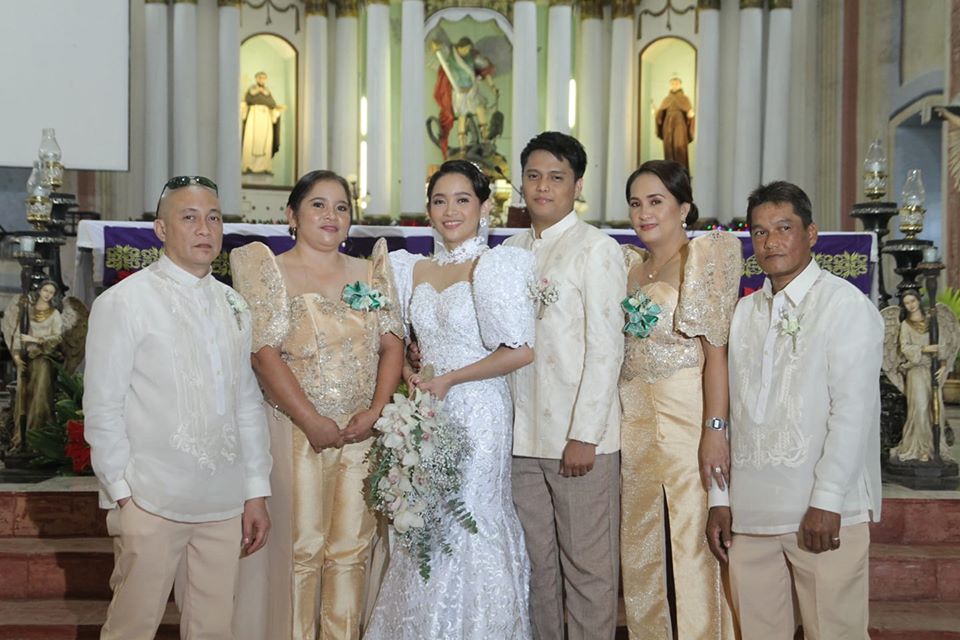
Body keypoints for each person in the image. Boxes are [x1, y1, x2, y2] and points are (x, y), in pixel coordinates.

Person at [83, 176, 272, 640]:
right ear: (161, 230)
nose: (204, 229)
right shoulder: (123, 303)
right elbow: (103, 405)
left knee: (213, 630)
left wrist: (255, 490)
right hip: (151, 497)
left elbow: (247, 403)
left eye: (213, 217)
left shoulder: (234, 305)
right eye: (189, 218)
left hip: (223, 501)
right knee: (131, 627)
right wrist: (122, 491)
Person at [229, 170, 404, 640]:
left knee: (351, 549)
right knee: (302, 550)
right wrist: (311, 420)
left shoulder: (369, 272)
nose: (332, 216)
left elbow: (392, 345)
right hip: (297, 432)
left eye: (342, 207)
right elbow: (264, 355)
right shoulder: (271, 269)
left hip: (362, 433)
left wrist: (376, 411)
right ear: (292, 215)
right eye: (318, 205)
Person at [365, 159, 536, 638]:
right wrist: (411, 372)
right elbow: (395, 342)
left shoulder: (495, 266)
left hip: (479, 408)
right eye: (440, 201)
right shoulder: (408, 268)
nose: (450, 210)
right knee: (423, 518)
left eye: (463, 200)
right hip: (424, 409)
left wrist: (451, 379)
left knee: (471, 517)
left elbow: (520, 351)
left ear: (484, 208)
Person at [706, 181, 883, 640]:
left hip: (823, 514)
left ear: (811, 234)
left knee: (836, 634)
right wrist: (720, 500)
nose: (771, 241)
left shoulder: (845, 306)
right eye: (760, 232)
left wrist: (826, 502)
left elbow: (853, 412)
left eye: (784, 228)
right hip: (751, 516)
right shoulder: (744, 312)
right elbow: (730, 415)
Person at [505, 132, 625, 639]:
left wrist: (586, 435)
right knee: (537, 570)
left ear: (577, 185)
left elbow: (606, 348)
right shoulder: (509, 251)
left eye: (556, 177)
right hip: (520, 441)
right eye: (533, 176)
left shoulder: (596, 249)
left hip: (579, 442)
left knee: (588, 570)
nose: (543, 187)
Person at [619, 161, 740, 639]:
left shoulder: (702, 258)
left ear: (683, 208)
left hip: (687, 420)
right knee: (641, 551)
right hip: (635, 424)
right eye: (635, 203)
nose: (644, 213)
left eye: (656, 202)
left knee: (695, 550)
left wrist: (715, 431)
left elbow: (716, 356)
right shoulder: (630, 266)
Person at [883, 289, 960, 463]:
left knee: (936, 408)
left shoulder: (932, 321)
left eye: (913, 301)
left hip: (931, 371)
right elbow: (905, 348)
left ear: (918, 301)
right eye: (907, 303)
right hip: (915, 371)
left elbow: (942, 347)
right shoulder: (905, 325)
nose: (911, 305)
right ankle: (918, 447)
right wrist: (925, 349)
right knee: (920, 408)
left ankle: (933, 447)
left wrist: (943, 365)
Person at [2, 280, 63, 451]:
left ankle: (37, 437)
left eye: (51, 292)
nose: (47, 294)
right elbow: (17, 336)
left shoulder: (55, 314)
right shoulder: (26, 312)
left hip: (43, 360)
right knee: (24, 397)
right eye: (45, 290)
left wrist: (35, 339)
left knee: (41, 396)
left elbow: (57, 338)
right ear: (39, 290)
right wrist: (16, 358)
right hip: (26, 360)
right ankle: (21, 439)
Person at [430, 36, 498, 157]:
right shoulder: (450, 54)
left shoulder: (472, 57)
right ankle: (462, 150)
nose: (467, 51)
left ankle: (486, 141)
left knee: (481, 111)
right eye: (465, 49)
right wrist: (436, 45)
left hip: (473, 90)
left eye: (469, 49)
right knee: (463, 117)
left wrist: (492, 86)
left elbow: (485, 70)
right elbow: (439, 46)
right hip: (460, 93)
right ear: (460, 47)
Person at [241, 71, 285, 175]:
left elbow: (272, 105)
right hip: (253, 117)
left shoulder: (268, 92)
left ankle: (265, 167)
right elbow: (247, 101)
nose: (262, 80)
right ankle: (248, 166)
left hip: (266, 119)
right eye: (260, 77)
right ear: (256, 79)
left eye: (264, 78)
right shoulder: (251, 90)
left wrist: (277, 110)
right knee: (251, 141)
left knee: (266, 143)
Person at [655, 76, 695, 171]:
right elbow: (661, 114)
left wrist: (690, 115)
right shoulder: (666, 99)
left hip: (680, 125)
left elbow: (689, 113)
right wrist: (657, 114)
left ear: (680, 85)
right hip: (667, 126)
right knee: (668, 147)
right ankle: (669, 173)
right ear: (670, 85)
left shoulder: (685, 99)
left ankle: (681, 172)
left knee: (679, 147)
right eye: (673, 83)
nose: (674, 85)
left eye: (676, 83)